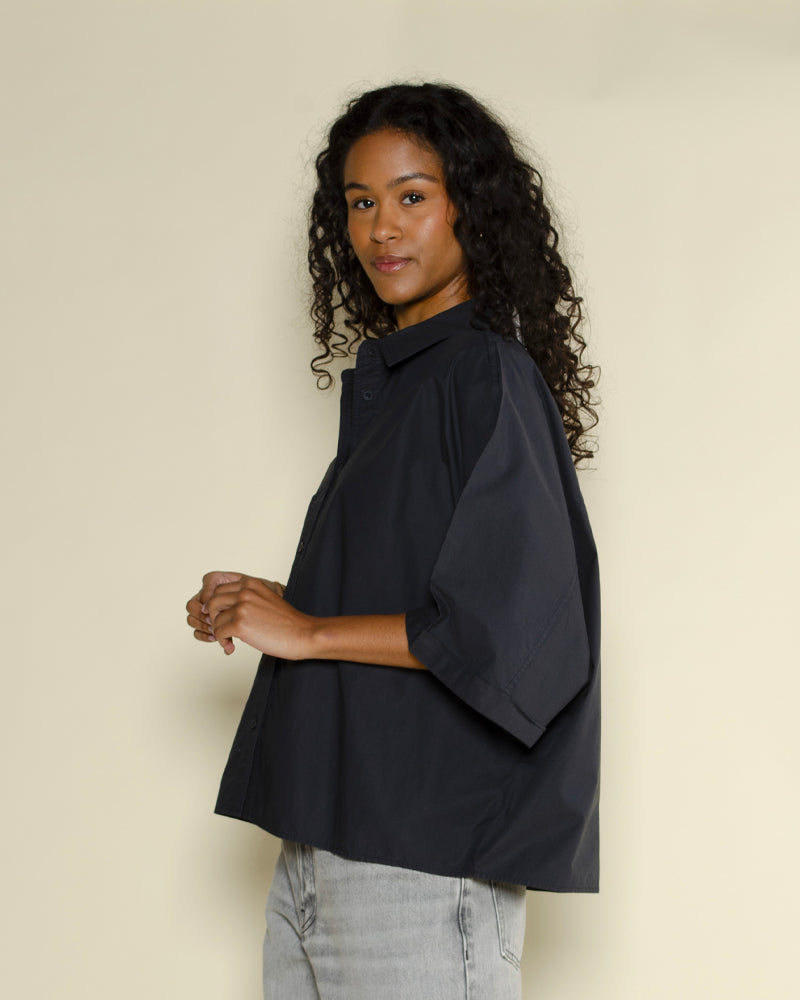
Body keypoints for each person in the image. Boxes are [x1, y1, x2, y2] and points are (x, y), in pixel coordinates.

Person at [186, 82, 600, 1000]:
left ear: (471, 208)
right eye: (361, 202)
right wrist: (279, 607)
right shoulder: (401, 386)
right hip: (320, 852)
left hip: (421, 862)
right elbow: (411, 598)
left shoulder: (484, 374)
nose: (382, 228)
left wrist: (307, 632)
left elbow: (516, 634)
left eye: (413, 196)